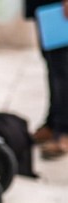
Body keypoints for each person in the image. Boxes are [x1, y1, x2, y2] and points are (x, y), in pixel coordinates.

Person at [26, 0, 68, 159]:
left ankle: (64, 131)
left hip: (60, 6)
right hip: (45, 7)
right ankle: (52, 123)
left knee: (63, 69)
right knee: (53, 66)